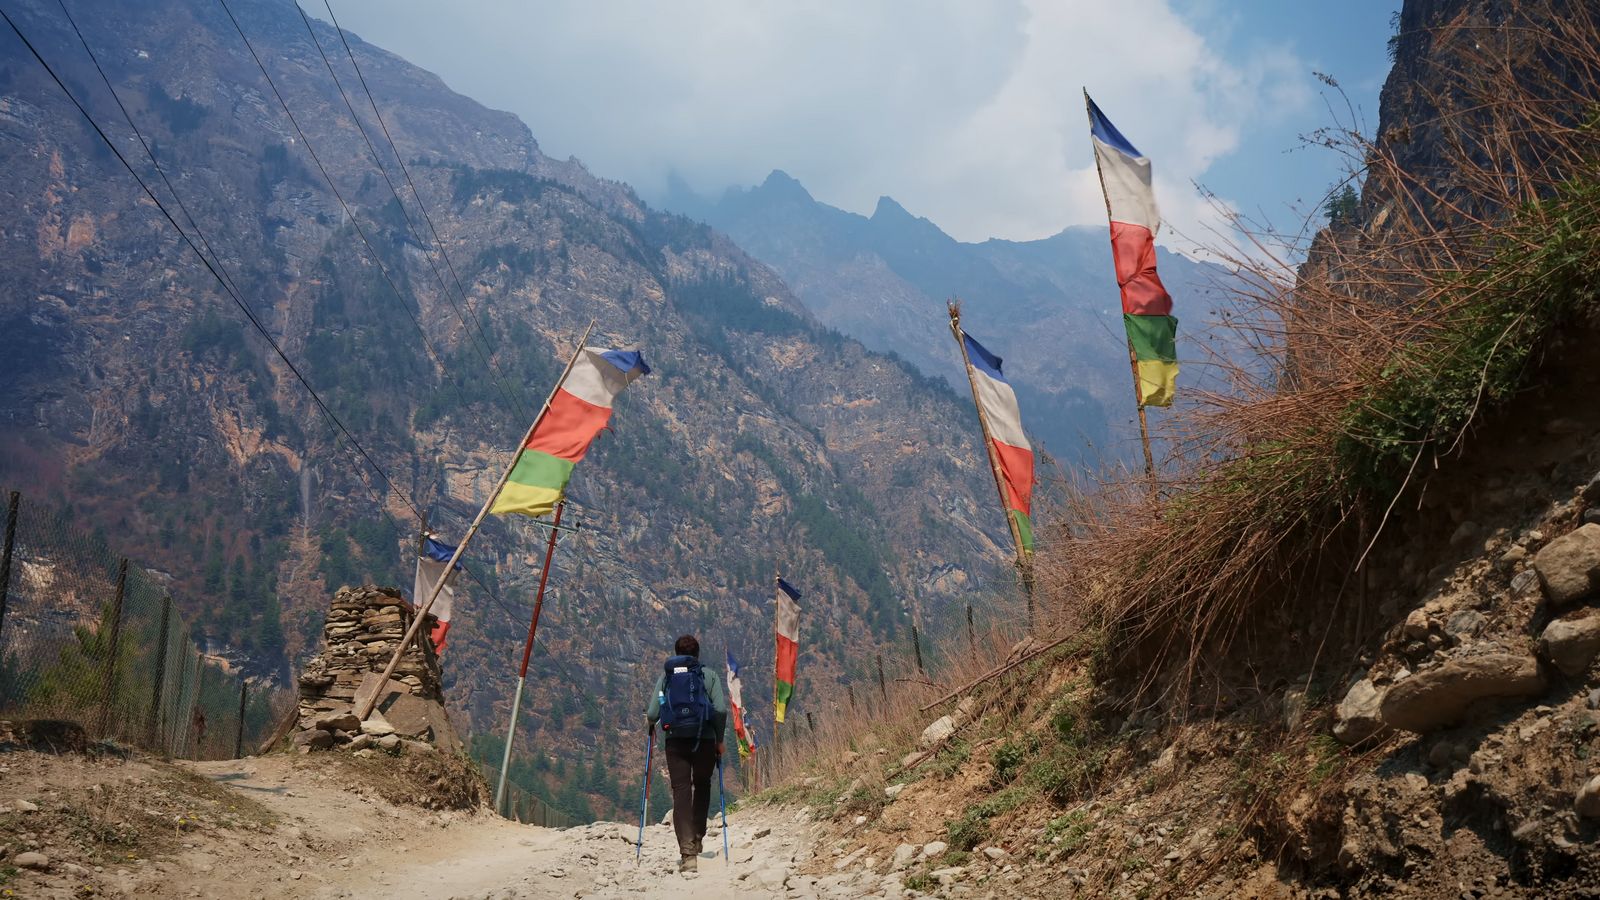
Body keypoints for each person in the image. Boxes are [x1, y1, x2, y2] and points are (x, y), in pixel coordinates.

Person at [645, 634, 728, 873]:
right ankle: (699, 837)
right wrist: (719, 740)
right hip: (705, 740)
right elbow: (720, 709)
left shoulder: (667, 677)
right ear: (697, 654)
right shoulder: (708, 675)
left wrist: (651, 723)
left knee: (681, 792)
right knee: (702, 786)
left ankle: (687, 853)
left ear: (676, 654)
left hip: (676, 742)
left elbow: (652, 713)